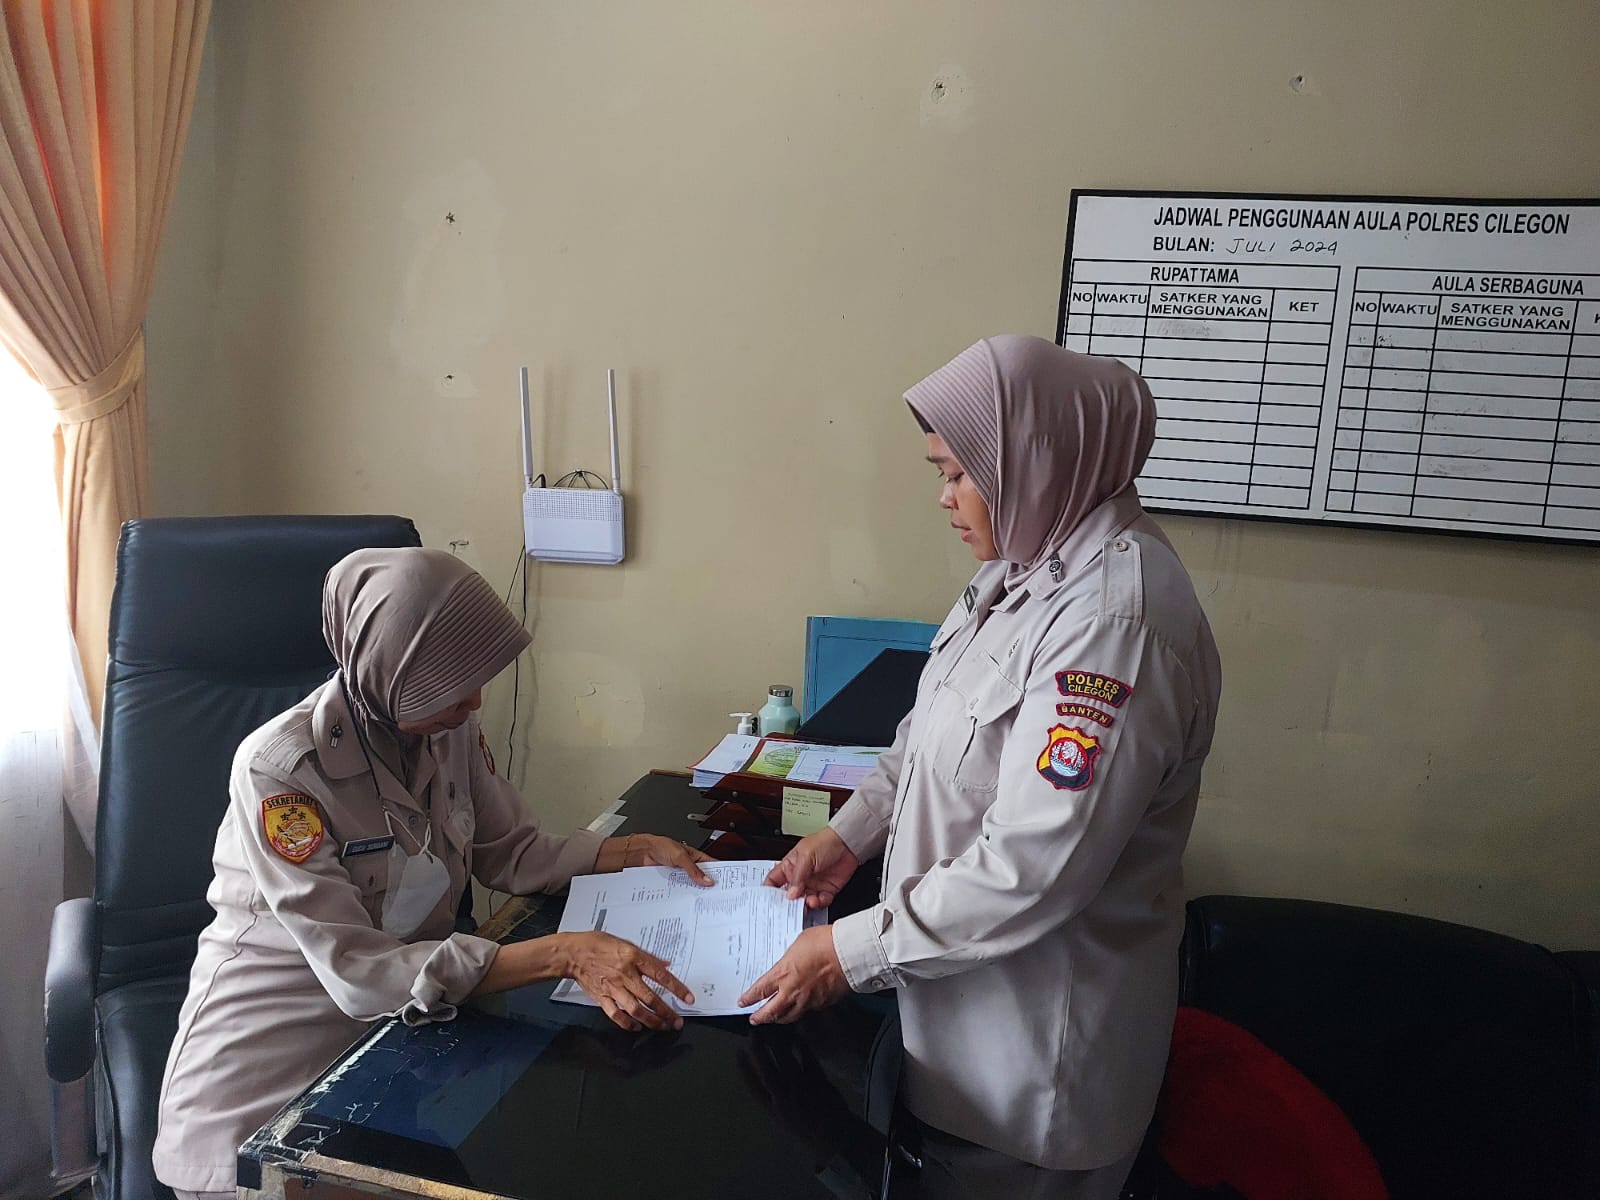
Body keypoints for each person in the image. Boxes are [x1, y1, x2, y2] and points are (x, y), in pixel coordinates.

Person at [738, 335, 1222, 1198]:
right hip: (954, 1034)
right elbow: (926, 734)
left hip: (1032, 1076)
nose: (944, 497)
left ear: (1037, 465)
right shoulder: (1020, 571)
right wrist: (849, 837)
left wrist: (845, 953)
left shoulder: (1114, 625)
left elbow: (1035, 867)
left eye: (960, 474)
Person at [154, 547, 712, 1199]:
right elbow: (359, 973)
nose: (472, 700)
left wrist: (632, 851)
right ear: (387, 667)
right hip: (265, 1097)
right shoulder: (281, 772)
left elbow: (511, 851)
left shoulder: (444, 729)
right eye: (446, 682)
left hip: (391, 1056)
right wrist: (564, 953)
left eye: (473, 678)